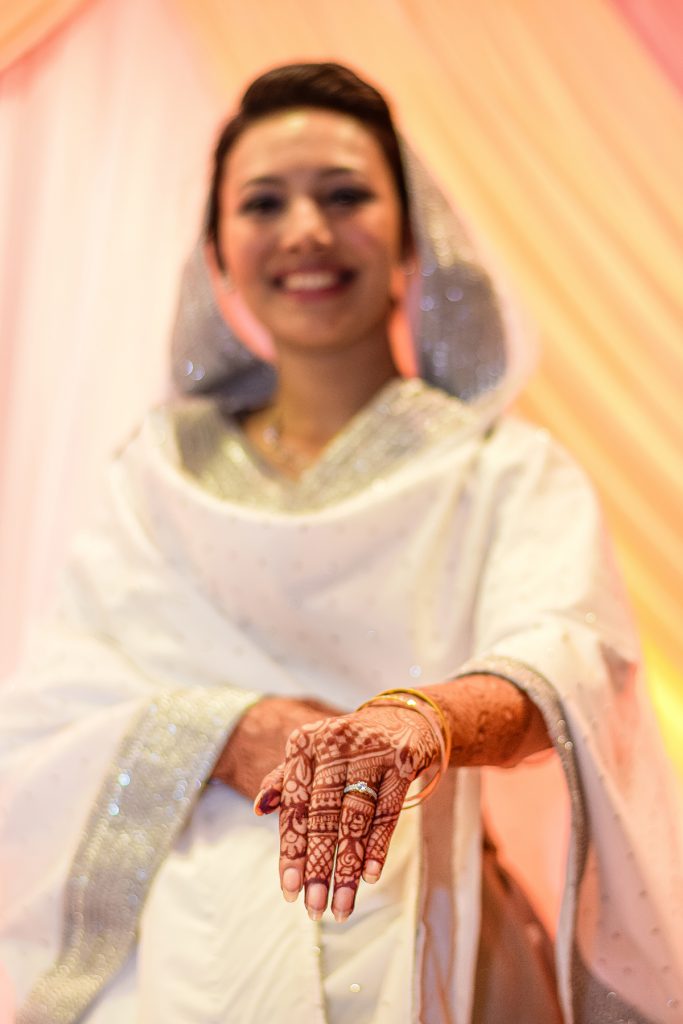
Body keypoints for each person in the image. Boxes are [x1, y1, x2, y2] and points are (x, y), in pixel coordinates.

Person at [1, 62, 681, 1024]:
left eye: (346, 195)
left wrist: (418, 723)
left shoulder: (502, 470)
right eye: (264, 203)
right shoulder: (153, 475)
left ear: (414, 237)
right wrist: (231, 730)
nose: (306, 232)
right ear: (217, 251)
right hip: (169, 963)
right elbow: (53, 709)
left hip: (423, 935)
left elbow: (571, 655)